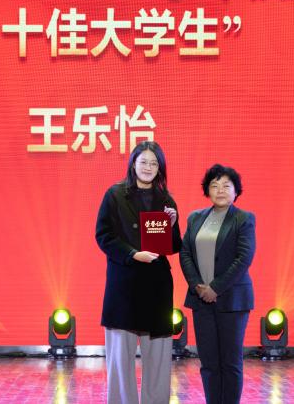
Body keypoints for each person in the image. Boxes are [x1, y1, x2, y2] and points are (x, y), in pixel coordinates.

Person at [96, 141, 183, 404]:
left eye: (154, 163)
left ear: (160, 168)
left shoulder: (166, 199)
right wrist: (133, 254)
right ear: (133, 163)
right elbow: (104, 236)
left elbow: (174, 246)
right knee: (120, 360)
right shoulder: (114, 195)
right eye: (143, 161)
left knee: (158, 359)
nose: (148, 167)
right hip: (124, 286)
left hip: (156, 287)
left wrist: (172, 225)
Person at [179, 164, 256, 404]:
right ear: (207, 190)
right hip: (201, 300)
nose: (220, 190)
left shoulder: (243, 219)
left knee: (230, 362)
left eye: (226, 185)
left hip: (232, 301)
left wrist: (215, 288)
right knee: (209, 362)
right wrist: (197, 286)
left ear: (236, 191)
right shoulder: (195, 218)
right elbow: (185, 253)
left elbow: (244, 258)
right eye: (214, 185)